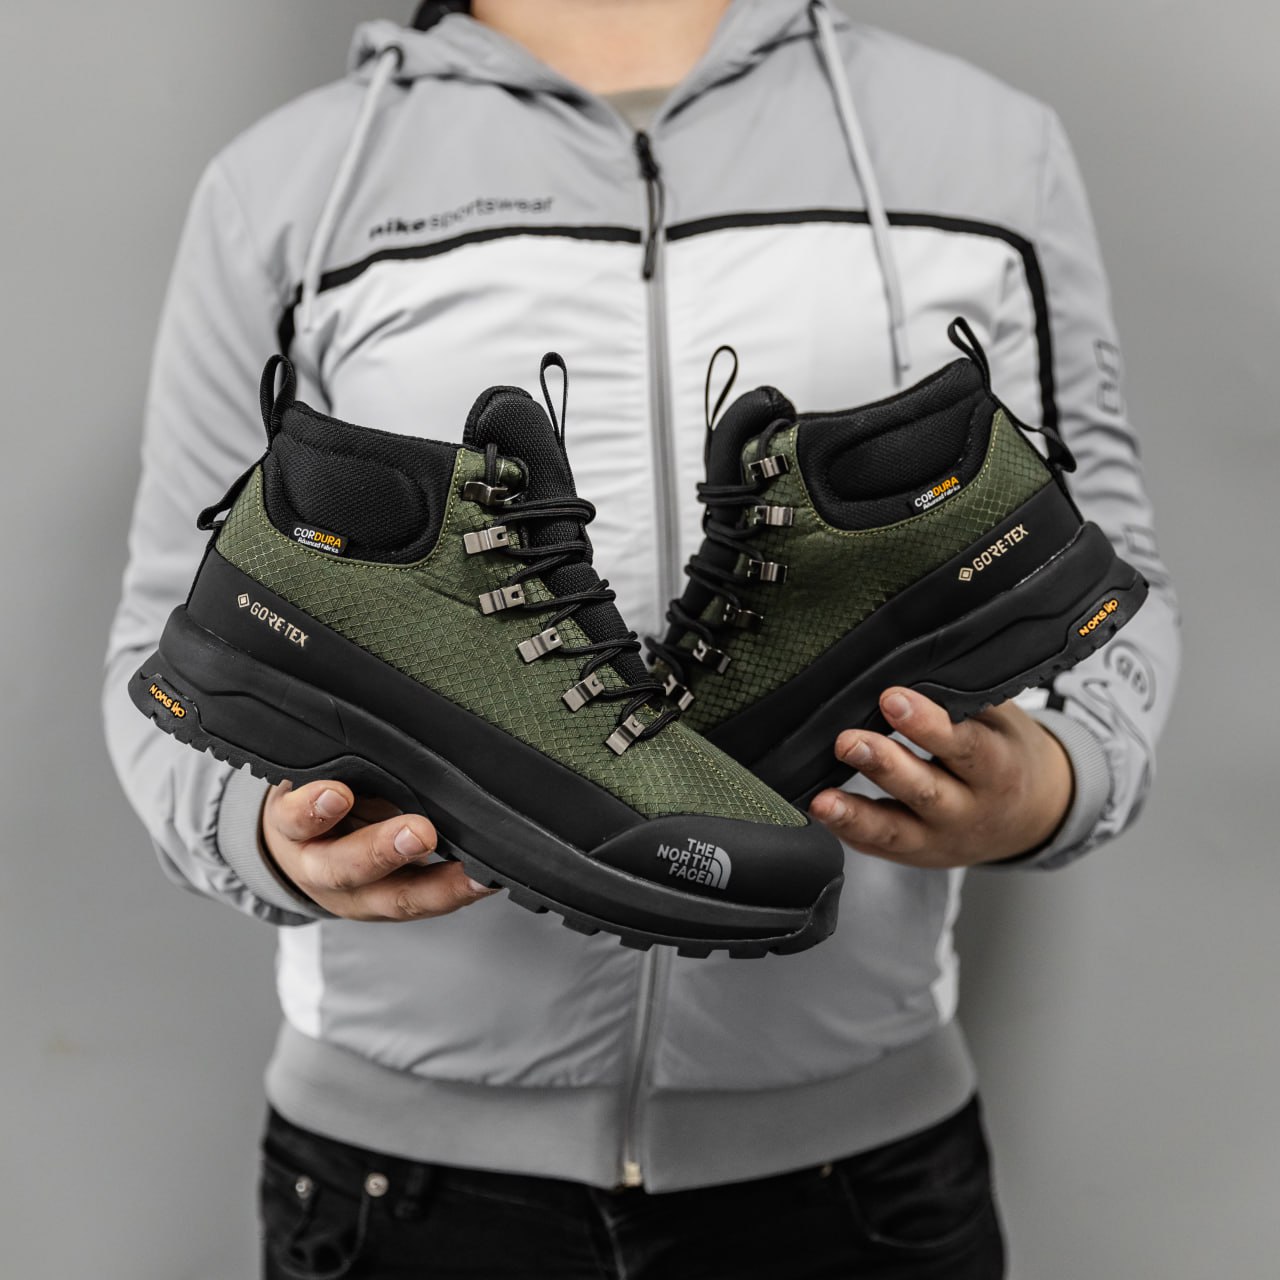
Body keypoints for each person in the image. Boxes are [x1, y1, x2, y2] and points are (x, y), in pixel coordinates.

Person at [104, 1, 1180, 1276]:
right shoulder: (291, 183)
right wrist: (261, 834)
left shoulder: (982, 150)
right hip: (398, 1185)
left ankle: (677, 741)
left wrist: (1051, 782)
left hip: (861, 1177)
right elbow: (174, 636)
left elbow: (1107, 564)